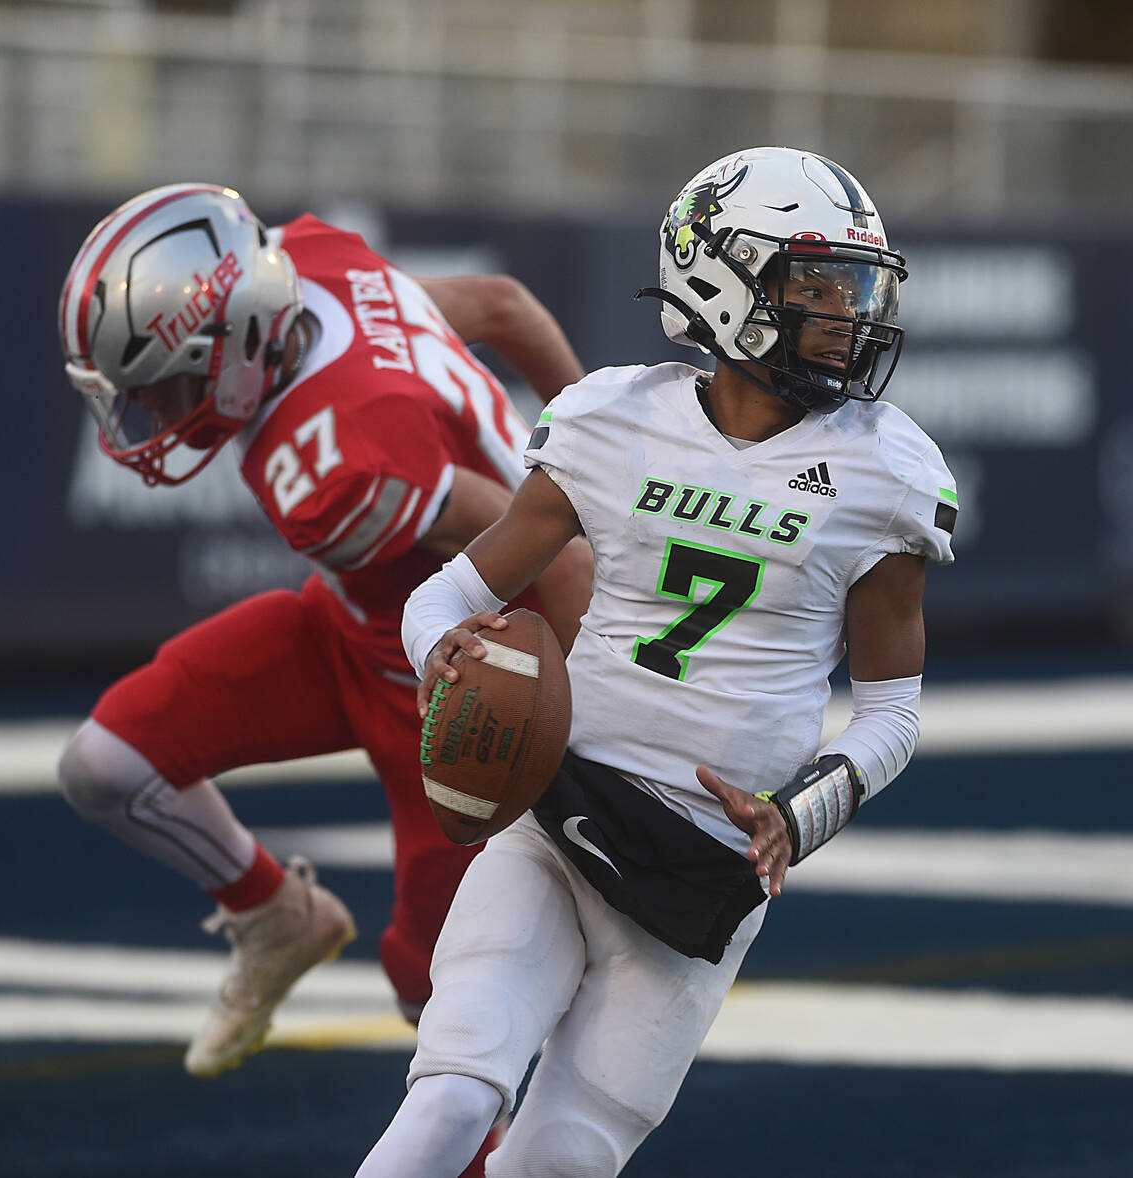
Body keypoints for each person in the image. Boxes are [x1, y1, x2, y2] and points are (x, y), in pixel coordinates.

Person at [359, 146, 959, 1177]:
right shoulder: (611, 418)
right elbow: (446, 593)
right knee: (452, 1097)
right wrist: (442, 658)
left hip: (703, 873)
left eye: (853, 289)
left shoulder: (887, 470)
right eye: (813, 287)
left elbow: (892, 713)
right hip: (557, 807)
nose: (844, 316)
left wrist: (801, 811)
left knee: (557, 1161)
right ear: (723, 283)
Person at [54, 182, 593, 1133]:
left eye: (171, 382)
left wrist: (595, 692)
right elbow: (505, 305)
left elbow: (544, 539)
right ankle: (276, 916)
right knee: (105, 765)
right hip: (354, 628)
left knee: (440, 1011)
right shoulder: (315, 263)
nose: (156, 413)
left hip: (452, 686)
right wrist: (595, 433)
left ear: (235, 344)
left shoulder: (337, 465)